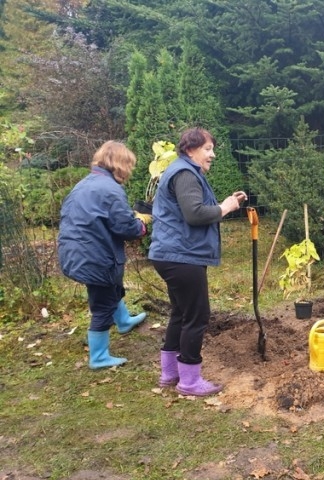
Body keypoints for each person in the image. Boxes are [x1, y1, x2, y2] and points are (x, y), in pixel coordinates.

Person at [149, 127, 247, 397]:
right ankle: (189, 381)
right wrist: (225, 207)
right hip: (181, 256)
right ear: (190, 149)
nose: (212, 154)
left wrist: (225, 204)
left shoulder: (183, 171)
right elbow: (194, 214)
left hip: (172, 254)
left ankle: (170, 373)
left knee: (181, 313)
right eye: (207, 149)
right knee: (197, 315)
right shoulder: (184, 173)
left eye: (212, 149)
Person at [58, 141, 149, 370]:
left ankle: (124, 321)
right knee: (103, 304)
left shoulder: (85, 183)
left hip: (75, 252)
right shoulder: (110, 189)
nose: (130, 171)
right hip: (94, 256)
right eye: (129, 165)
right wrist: (141, 224)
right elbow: (125, 228)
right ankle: (98, 357)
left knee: (109, 288)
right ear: (120, 164)